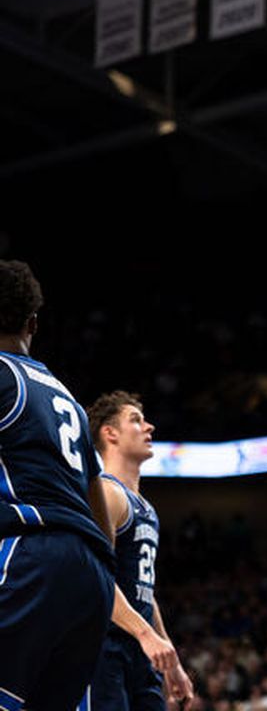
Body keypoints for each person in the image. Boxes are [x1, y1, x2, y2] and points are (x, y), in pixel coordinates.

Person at [0, 259, 116, 709]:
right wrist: (103, 568)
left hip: (31, 555)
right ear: (32, 322)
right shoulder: (65, 394)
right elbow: (97, 493)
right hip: (91, 577)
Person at [82, 391, 194, 710]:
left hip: (138, 650)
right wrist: (146, 635)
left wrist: (172, 660)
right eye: (136, 420)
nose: (149, 427)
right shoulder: (106, 492)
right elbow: (97, 578)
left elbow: (143, 591)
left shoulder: (146, 508)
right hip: (104, 647)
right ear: (110, 433)